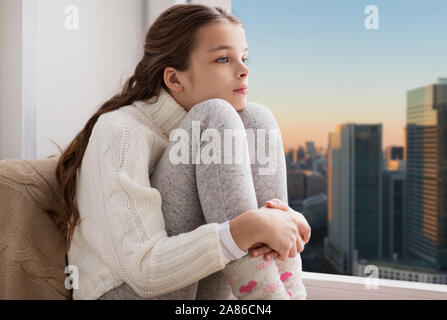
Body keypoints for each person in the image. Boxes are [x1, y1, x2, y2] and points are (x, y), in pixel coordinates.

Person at [54, 4, 310, 300]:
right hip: (129, 291)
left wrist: (284, 224)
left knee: (257, 119)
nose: (244, 70)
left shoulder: (213, 130)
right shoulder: (121, 132)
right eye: (224, 59)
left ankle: (288, 293)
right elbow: (144, 273)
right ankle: (266, 297)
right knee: (214, 117)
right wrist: (244, 230)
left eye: (244, 57)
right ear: (175, 79)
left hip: (196, 295)